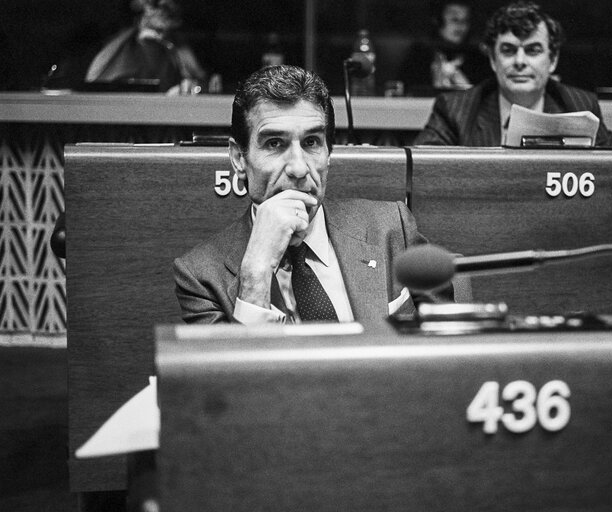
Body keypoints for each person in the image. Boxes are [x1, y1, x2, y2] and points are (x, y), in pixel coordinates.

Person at [174, 65, 440, 325]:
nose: (299, 168)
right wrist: (257, 273)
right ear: (238, 159)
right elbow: (233, 370)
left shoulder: (392, 230)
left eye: (311, 142)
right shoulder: (201, 276)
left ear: (328, 153)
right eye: (274, 144)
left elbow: (455, 349)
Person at [414, 1, 612, 148]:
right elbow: (423, 176)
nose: (520, 62)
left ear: (553, 60)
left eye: (533, 50)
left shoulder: (580, 105)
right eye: (508, 50)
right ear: (493, 60)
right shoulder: (454, 111)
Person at [84, 0, 206, 93]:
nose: (161, 10)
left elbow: (196, 80)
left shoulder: (177, 47)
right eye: (156, 5)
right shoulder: (124, 47)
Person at [397, 1, 490, 95]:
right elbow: (406, 91)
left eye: (465, 20)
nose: (460, 26)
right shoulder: (419, 55)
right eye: (455, 19)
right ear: (438, 21)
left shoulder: (478, 57)